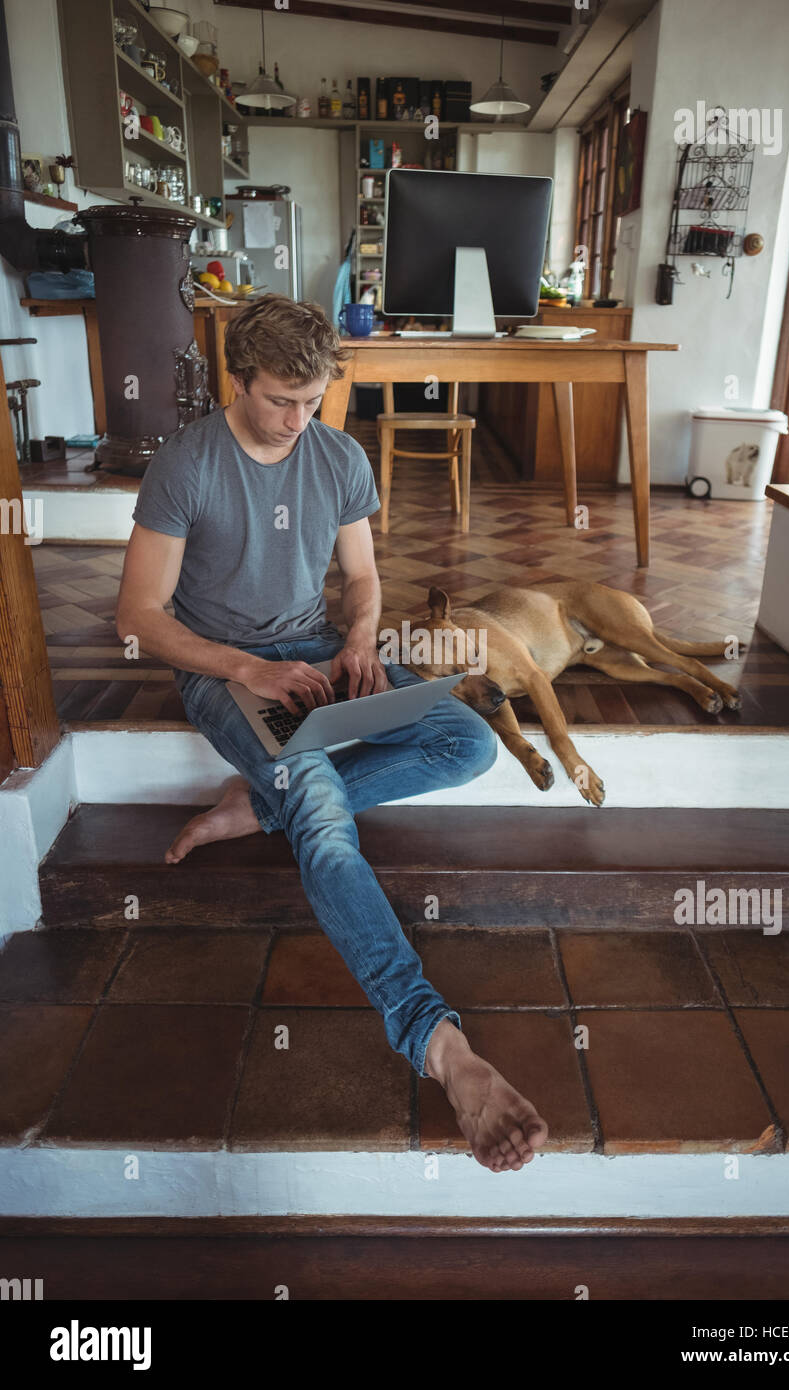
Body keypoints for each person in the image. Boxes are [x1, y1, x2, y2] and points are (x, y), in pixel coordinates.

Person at [115, 294, 548, 1173]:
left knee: (466, 740)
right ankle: (439, 1045)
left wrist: (358, 642)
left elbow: (361, 576)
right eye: (280, 399)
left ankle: (261, 807)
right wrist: (244, 668)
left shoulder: (338, 455)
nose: (297, 419)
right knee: (321, 805)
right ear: (240, 378)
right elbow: (138, 616)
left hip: (316, 651)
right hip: (221, 670)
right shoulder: (187, 465)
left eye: (312, 400)